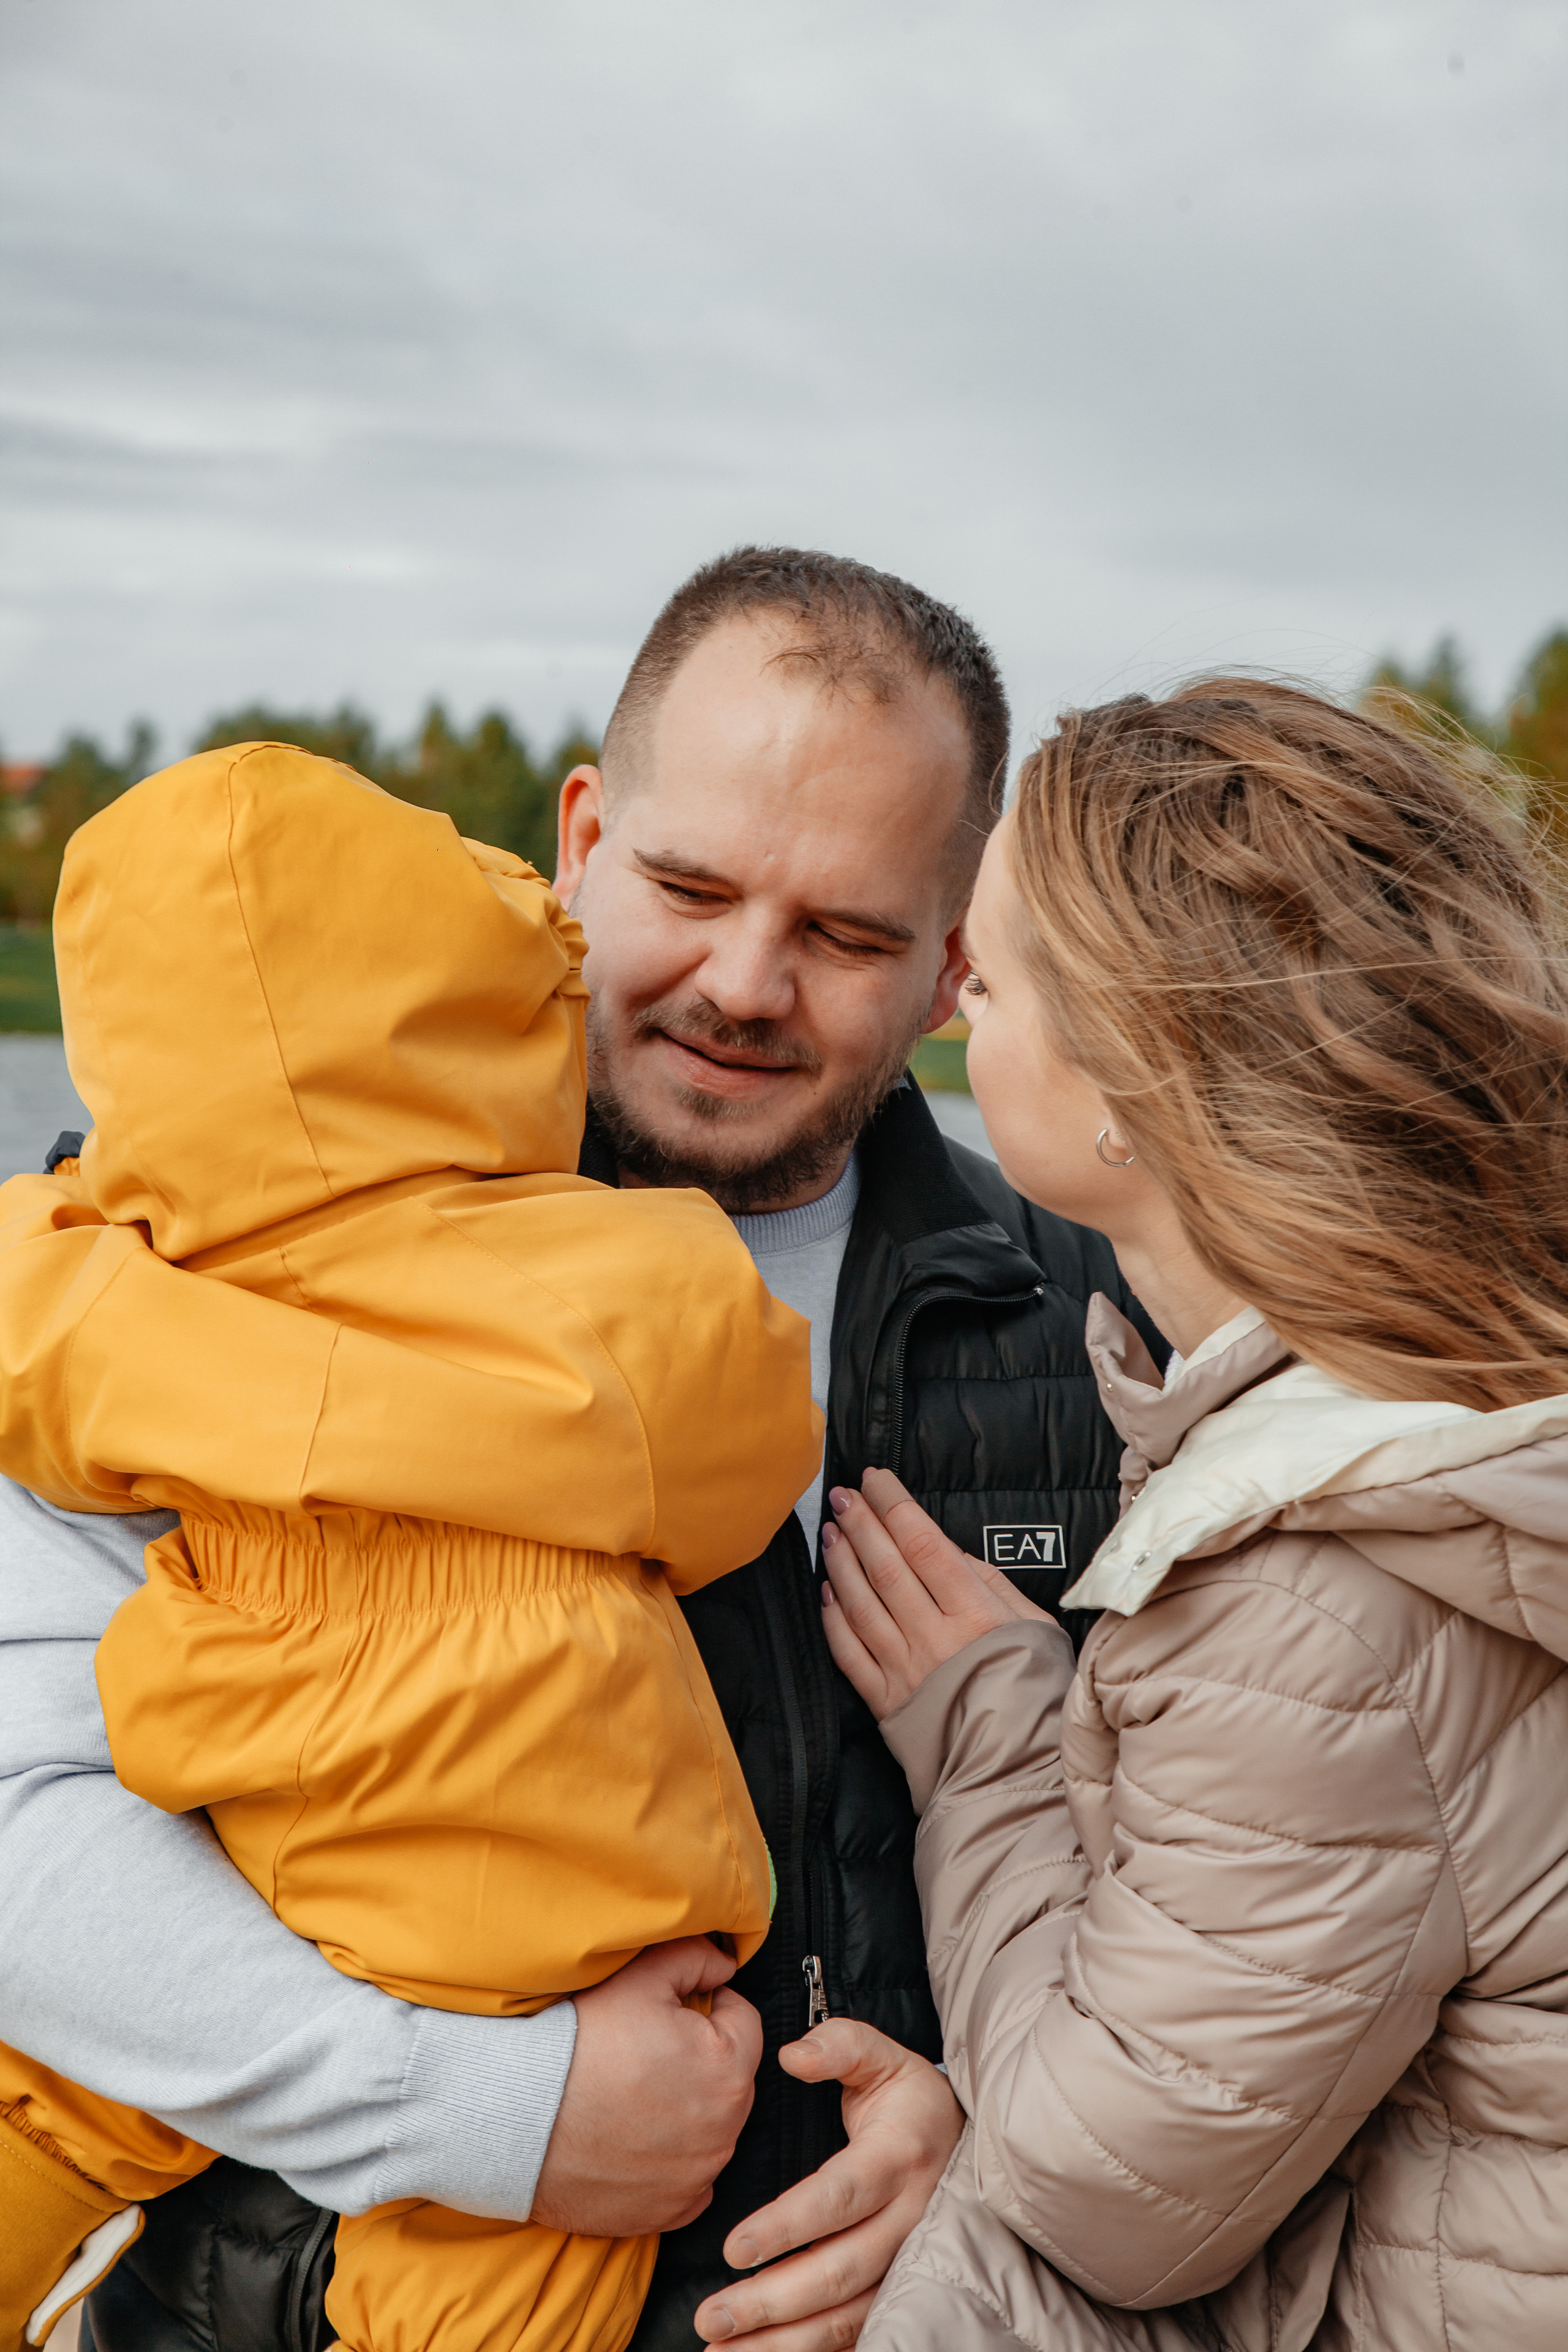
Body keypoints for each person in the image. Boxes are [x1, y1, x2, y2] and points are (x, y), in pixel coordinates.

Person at [0, 549, 1153, 2351]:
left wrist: (997, 2141)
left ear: (949, 965)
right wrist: (500, 2115)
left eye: (846, 934)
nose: (747, 983)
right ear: (584, 836)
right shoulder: (180, 1252)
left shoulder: (1106, 1325)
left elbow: (1236, 1891)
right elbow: (22, 1849)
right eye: (690, 886)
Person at [0, 741, 820, 2351]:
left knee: (53, 2096)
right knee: (513, 2244)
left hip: (221, 1719)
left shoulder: (91, 1280)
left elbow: (34, 1372)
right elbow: (740, 1467)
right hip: (505, 1809)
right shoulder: (632, 1283)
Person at [817, 680, 1568, 2349]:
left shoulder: (1320, 1595)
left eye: (992, 975)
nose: (944, 1005)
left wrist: (994, 1744)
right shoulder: (1471, 1401)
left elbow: (1105, 2188)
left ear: (1136, 1092)